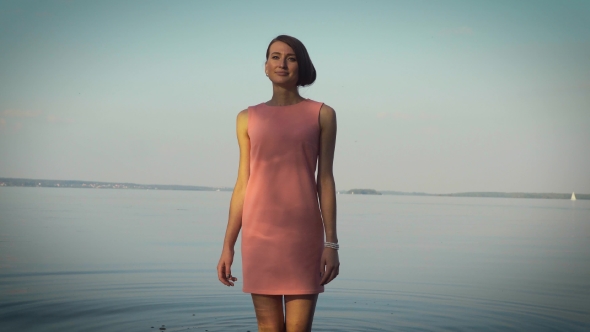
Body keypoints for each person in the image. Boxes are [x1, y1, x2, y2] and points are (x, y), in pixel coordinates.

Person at [217, 35, 339, 332]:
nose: (282, 63)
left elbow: (325, 179)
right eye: (275, 56)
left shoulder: (322, 114)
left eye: (291, 57)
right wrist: (228, 245)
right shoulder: (247, 118)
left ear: (301, 66)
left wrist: (331, 242)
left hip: (303, 234)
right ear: (266, 66)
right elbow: (243, 183)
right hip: (259, 236)